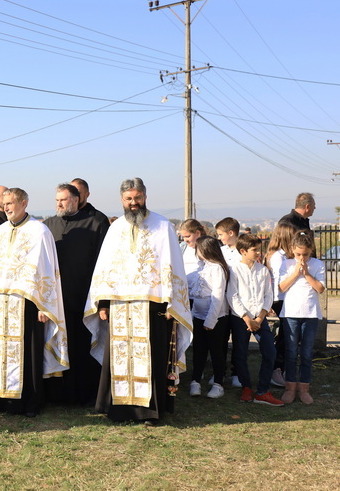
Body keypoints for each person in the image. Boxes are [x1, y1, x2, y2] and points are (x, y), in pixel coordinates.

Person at [83, 177, 192, 425]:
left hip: (152, 305)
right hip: (119, 307)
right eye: (129, 199)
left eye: (137, 198)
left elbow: (173, 266)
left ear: (145, 196)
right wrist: (103, 303)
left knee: (151, 358)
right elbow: (105, 268)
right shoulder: (115, 228)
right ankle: (120, 410)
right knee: (120, 357)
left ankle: (150, 412)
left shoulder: (162, 226)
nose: (133, 203)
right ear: (122, 200)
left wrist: (172, 304)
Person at [0, 187, 69, 417]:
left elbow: (46, 270)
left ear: (24, 203)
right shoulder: (0, 231)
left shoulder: (39, 231)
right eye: (4, 204)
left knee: (27, 353)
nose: (6, 208)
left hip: (28, 304)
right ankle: (0, 398)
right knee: (0, 350)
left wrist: (43, 305)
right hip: (1, 302)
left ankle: (28, 401)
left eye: (10, 203)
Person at [43, 183, 108, 405]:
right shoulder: (48, 225)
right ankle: (56, 394)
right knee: (57, 344)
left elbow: (102, 262)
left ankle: (84, 395)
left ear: (76, 199)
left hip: (83, 298)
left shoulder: (95, 223)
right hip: (56, 300)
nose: (59, 204)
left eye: (63, 200)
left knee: (81, 348)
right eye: (57, 200)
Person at [226, 233, 283, 406]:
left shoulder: (263, 270)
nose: (258, 252)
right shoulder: (234, 270)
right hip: (240, 319)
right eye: (255, 250)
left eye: (259, 249)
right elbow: (232, 295)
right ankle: (246, 387)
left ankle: (262, 390)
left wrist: (259, 318)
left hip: (260, 318)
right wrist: (246, 318)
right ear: (243, 251)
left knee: (270, 351)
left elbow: (268, 295)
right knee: (240, 353)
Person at [278, 231, 326, 404]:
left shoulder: (318, 264)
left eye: (305, 254)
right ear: (292, 250)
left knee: (306, 353)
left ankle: (304, 388)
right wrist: (295, 272)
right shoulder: (286, 264)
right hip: (291, 313)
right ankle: (290, 388)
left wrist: (306, 273)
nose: (302, 258)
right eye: (298, 254)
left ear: (311, 250)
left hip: (310, 314)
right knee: (291, 352)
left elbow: (320, 288)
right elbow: (282, 287)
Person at [188, 236, 230, 399]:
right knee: (199, 350)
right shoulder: (202, 267)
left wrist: (211, 320)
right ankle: (195, 380)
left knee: (216, 351)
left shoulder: (217, 268)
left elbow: (217, 296)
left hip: (215, 318)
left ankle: (218, 383)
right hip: (198, 317)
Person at [265, 223, 298, 388]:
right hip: (281, 299)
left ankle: (280, 368)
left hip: (286, 298)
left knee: (287, 335)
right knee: (286, 336)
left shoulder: (284, 255)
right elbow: (280, 282)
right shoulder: (278, 256)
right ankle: (276, 369)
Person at [214, 216, 242, 388]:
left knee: (238, 340)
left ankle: (237, 372)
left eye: (221, 234)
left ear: (231, 233)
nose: (219, 238)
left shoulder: (243, 250)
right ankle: (220, 371)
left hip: (240, 300)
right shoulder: (221, 251)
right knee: (222, 338)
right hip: (223, 300)